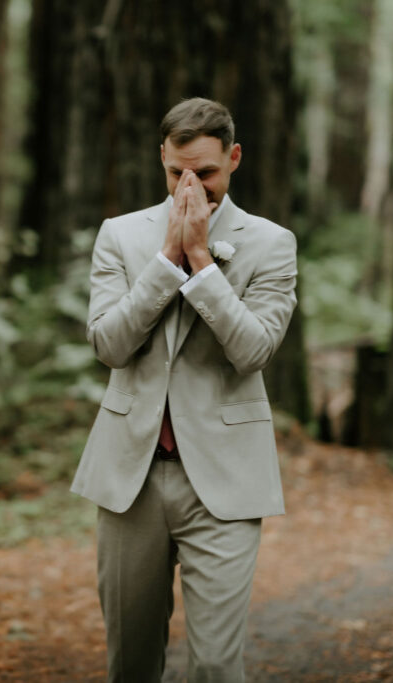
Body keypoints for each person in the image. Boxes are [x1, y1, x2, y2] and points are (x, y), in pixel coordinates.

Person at [71, 97, 298, 682]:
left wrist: (200, 259)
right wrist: (167, 259)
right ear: (162, 159)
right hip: (131, 476)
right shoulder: (120, 236)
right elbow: (109, 345)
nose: (191, 186)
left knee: (217, 666)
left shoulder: (272, 244)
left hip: (225, 482)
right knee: (132, 661)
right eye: (177, 172)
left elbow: (254, 351)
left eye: (207, 172)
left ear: (235, 158)